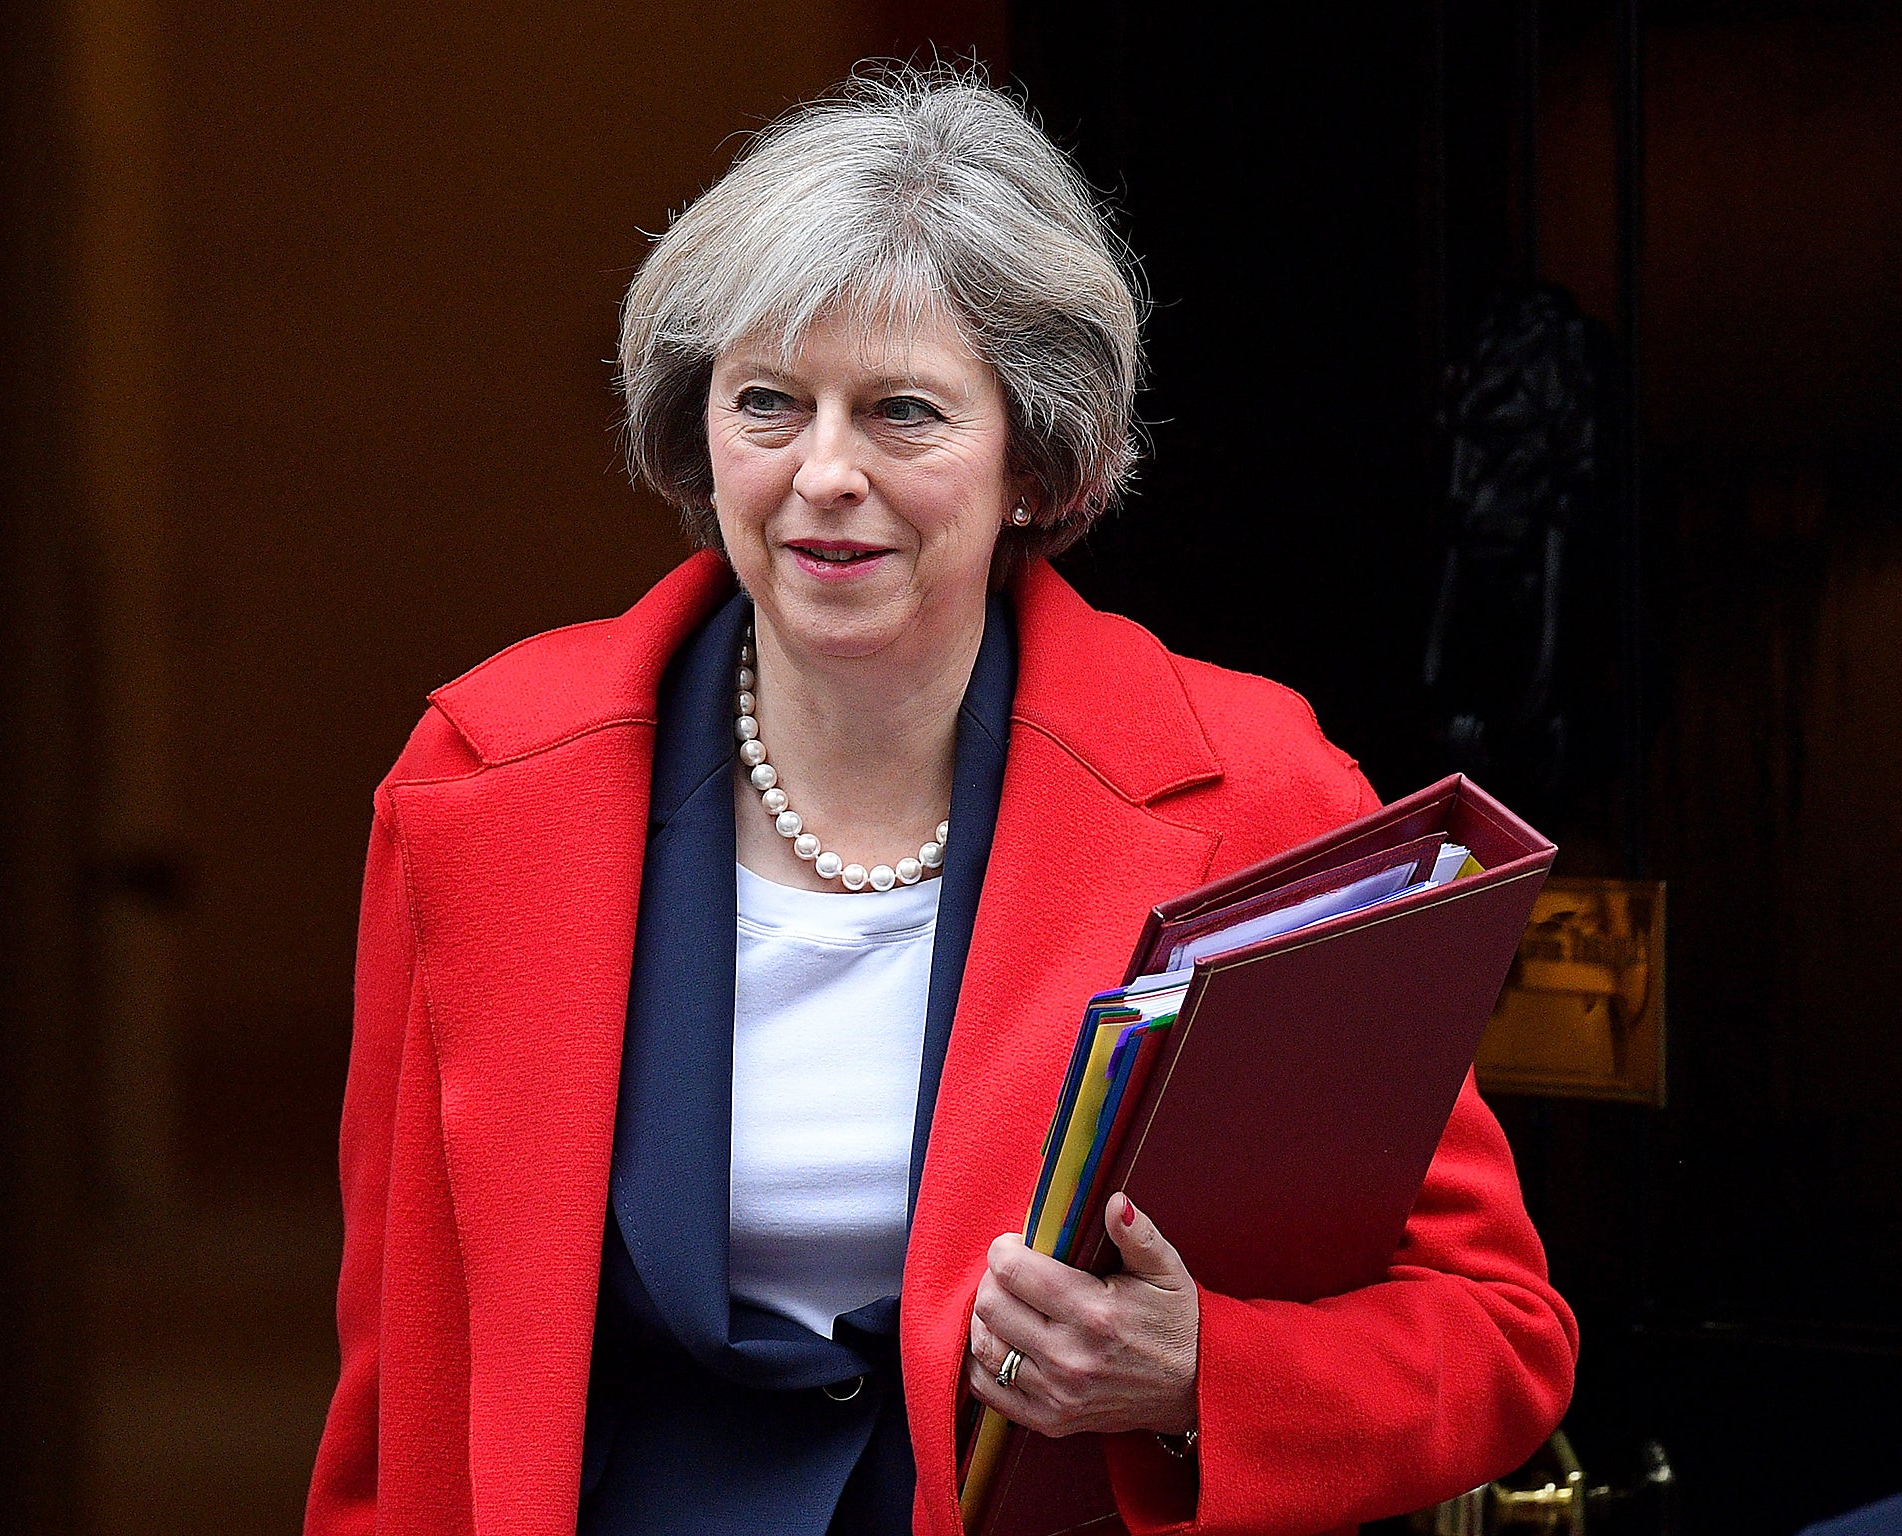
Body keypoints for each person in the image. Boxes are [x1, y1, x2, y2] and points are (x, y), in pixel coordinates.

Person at [304, 67, 1576, 1536]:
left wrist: (1197, 1374)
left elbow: (1498, 1332)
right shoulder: (483, 779)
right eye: (769, 404)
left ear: (1036, 458)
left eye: (902, 412)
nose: (824, 474)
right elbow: (393, 1381)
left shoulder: (1258, 789)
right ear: (697, 431)